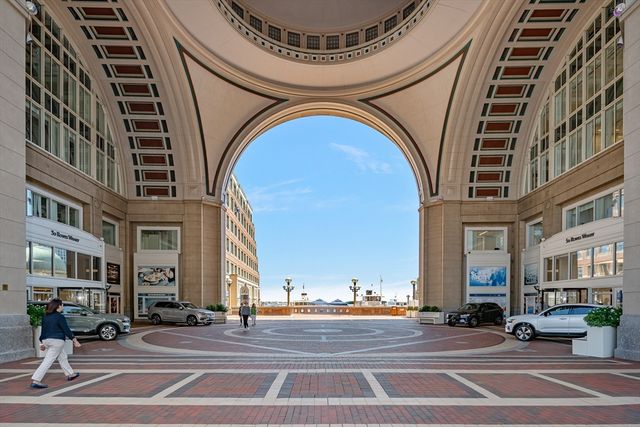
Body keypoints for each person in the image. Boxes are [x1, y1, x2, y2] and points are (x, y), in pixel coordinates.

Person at [31, 298, 81, 389]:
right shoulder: (59, 317)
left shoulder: (45, 316)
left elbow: (44, 331)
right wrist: (74, 340)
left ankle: (70, 374)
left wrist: (42, 343)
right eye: (62, 305)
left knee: (62, 356)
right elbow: (66, 329)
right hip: (57, 341)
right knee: (48, 361)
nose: (63, 307)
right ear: (58, 306)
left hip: (47, 340)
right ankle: (36, 380)